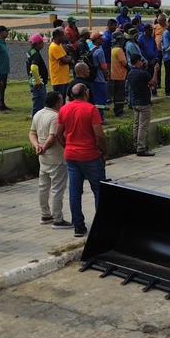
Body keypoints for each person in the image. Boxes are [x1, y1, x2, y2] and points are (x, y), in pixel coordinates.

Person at [60, 83, 108, 238]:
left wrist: (66, 145)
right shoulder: (91, 109)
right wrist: (104, 151)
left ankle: (78, 226)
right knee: (99, 190)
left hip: (71, 156)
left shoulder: (64, 109)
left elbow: (58, 133)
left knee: (75, 191)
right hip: (90, 155)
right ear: (86, 93)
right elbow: (99, 135)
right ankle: (101, 226)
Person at [30, 91, 70, 228]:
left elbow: (32, 133)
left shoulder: (38, 114)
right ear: (58, 102)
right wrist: (44, 147)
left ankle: (45, 214)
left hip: (43, 158)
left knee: (43, 187)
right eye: (61, 100)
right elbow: (53, 136)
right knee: (57, 189)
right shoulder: (55, 117)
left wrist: (37, 146)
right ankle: (58, 218)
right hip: (57, 158)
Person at [127, 56, 156, 157]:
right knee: (143, 126)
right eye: (141, 61)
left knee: (136, 125)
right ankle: (141, 148)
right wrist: (156, 71)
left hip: (135, 102)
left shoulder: (130, 73)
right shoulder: (143, 73)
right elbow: (153, 83)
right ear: (138, 61)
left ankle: (136, 145)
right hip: (144, 102)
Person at [26, 34, 49, 115]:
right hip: (38, 83)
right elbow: (34, 68)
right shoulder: (36, 54)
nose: (43, 44)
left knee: (37, 103)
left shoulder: (30, 51)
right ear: (38, 43)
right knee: (39, 104)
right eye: (42, 42)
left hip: (32, 81)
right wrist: (38, 81)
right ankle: (36, 121)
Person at [89, 32, 111, 115]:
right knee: (101, 100)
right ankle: (100, 117)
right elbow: (104, 67)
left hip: (92, 78)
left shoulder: (91, 48)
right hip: (99, 78)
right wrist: (106, 76)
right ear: (97, 40)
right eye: (101, 38)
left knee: (95, 99)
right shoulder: (100, 51)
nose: (103, 40)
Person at [0, 25, 12, 111]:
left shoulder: (3, 42)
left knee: (3, 87)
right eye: (6, 31)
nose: (7, 33)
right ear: (1, 33)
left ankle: (2, 103)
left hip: (4, 69)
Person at [49, 29, 73, 97]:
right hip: (58, 80)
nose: (65, 37)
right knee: (59, 100)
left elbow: (66, 57)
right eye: (63, 35)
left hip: (64, 78)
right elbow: (64, 60)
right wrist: (70, 58)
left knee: (63, 99)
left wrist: (68, 58)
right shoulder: (54, 47)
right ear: (57, 36)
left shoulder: (59, 45)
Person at [110, 33, 129, 118]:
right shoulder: (119, 50)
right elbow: (124, 62)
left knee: (116, 94)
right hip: (120, 75)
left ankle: (117, 109)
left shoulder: (112, 49)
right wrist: (129, 69)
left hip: (114, 75)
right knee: (120, 94)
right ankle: (119, 111)